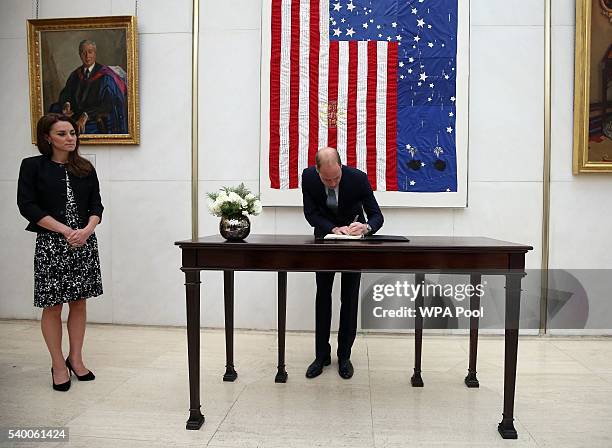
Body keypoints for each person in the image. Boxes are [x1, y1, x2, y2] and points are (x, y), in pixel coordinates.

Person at [17, 113, 104, 391]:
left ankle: (75, 358)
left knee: (79, 302)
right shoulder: (32, 167)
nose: (70, 138)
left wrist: (87, 230)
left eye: (72, 133)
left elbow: (96, 206)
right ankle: (57, 364)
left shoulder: (86, 168)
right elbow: (27, 206)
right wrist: (65, 231)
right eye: (62, 134)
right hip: (52, 245)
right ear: (47, 138)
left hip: (83, 243)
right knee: (52, 305)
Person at [301, 147, 384, 379]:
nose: (332, 183)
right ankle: (321, 355)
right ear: (317, 171)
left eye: (336, 178)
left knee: (349, 298)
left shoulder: (357, 178)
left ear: (341, 166)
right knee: (323, 296)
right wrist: (331, 228)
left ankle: (344, 355)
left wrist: (366, 227)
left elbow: (377, 215)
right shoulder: (308, 177)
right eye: (326, 179)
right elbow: (311, 214)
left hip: (353, 244)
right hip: (325, 241)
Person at [49, 39, 128, 134]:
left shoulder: (105, 76)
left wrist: (87, 115)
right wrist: (67, 104)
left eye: (90, 52)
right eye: (83, 53)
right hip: (75, 117)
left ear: (95, 53)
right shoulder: (75, 75)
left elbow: (108, 104)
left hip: (94, 120)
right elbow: (66, 93)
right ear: (79, 54)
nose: (87, 56)